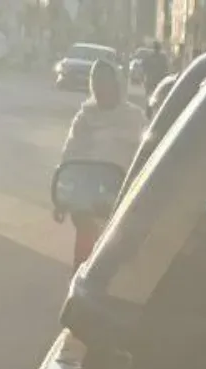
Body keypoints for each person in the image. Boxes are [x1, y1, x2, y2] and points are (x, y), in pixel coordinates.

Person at [56, 59, 146, 268]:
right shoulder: (85, 117)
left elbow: (145, 156)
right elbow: (69, 154)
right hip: (88, 195)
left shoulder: (134, 118)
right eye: (96, 83)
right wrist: (61, 196)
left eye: (105, 82)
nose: (100, 88)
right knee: (85, 255)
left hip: (123, 193)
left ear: (117, 84)